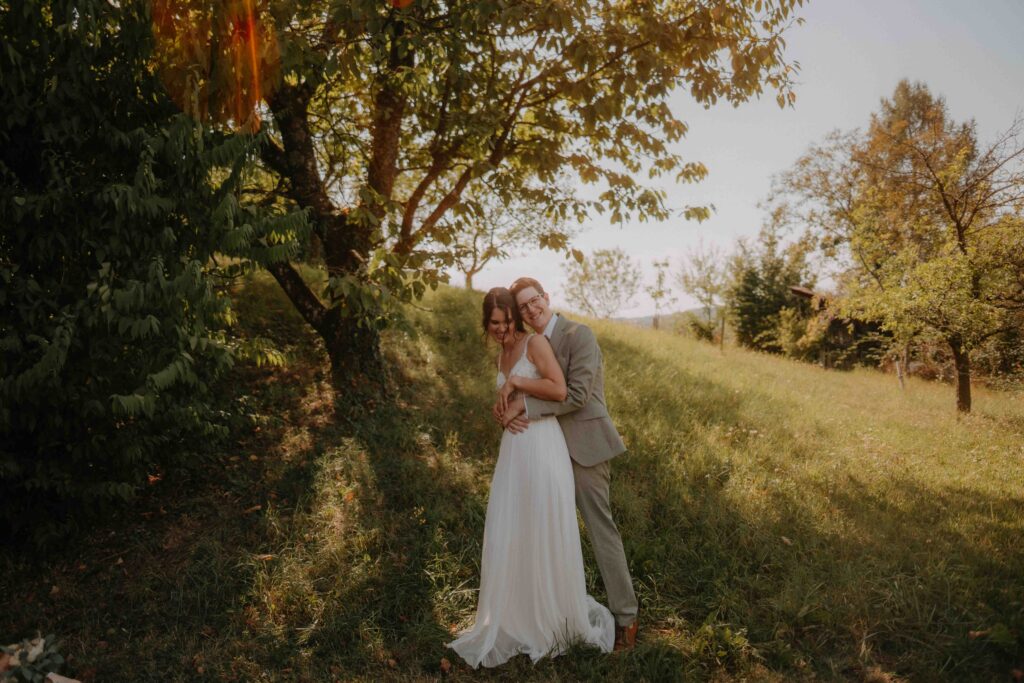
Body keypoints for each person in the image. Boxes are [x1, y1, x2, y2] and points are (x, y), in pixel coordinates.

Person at [448, 287, 615, 668]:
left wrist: (517, 384)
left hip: (542, 449)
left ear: (515, 319)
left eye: (507, 322)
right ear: (486, 323)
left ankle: (552, 616)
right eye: (494, 324)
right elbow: (510, 402)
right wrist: (501, 409)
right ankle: (516, 614)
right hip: (513, 453)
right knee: (514, 529)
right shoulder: (500, 355)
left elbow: (559, 390)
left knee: (543, 526)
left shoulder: (535, 344)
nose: (502, 330)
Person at [498, 277, 639, 651]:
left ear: (547, 298)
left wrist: (524, 405)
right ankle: (545, 610)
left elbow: (575, 395)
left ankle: (626, 617)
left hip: (585, 449)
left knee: (599, 530)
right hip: (544, 452)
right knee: (543, 531)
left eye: (534, 301)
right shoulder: (530, 344)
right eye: (523, 307)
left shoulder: (580, 335)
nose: (531, 310)